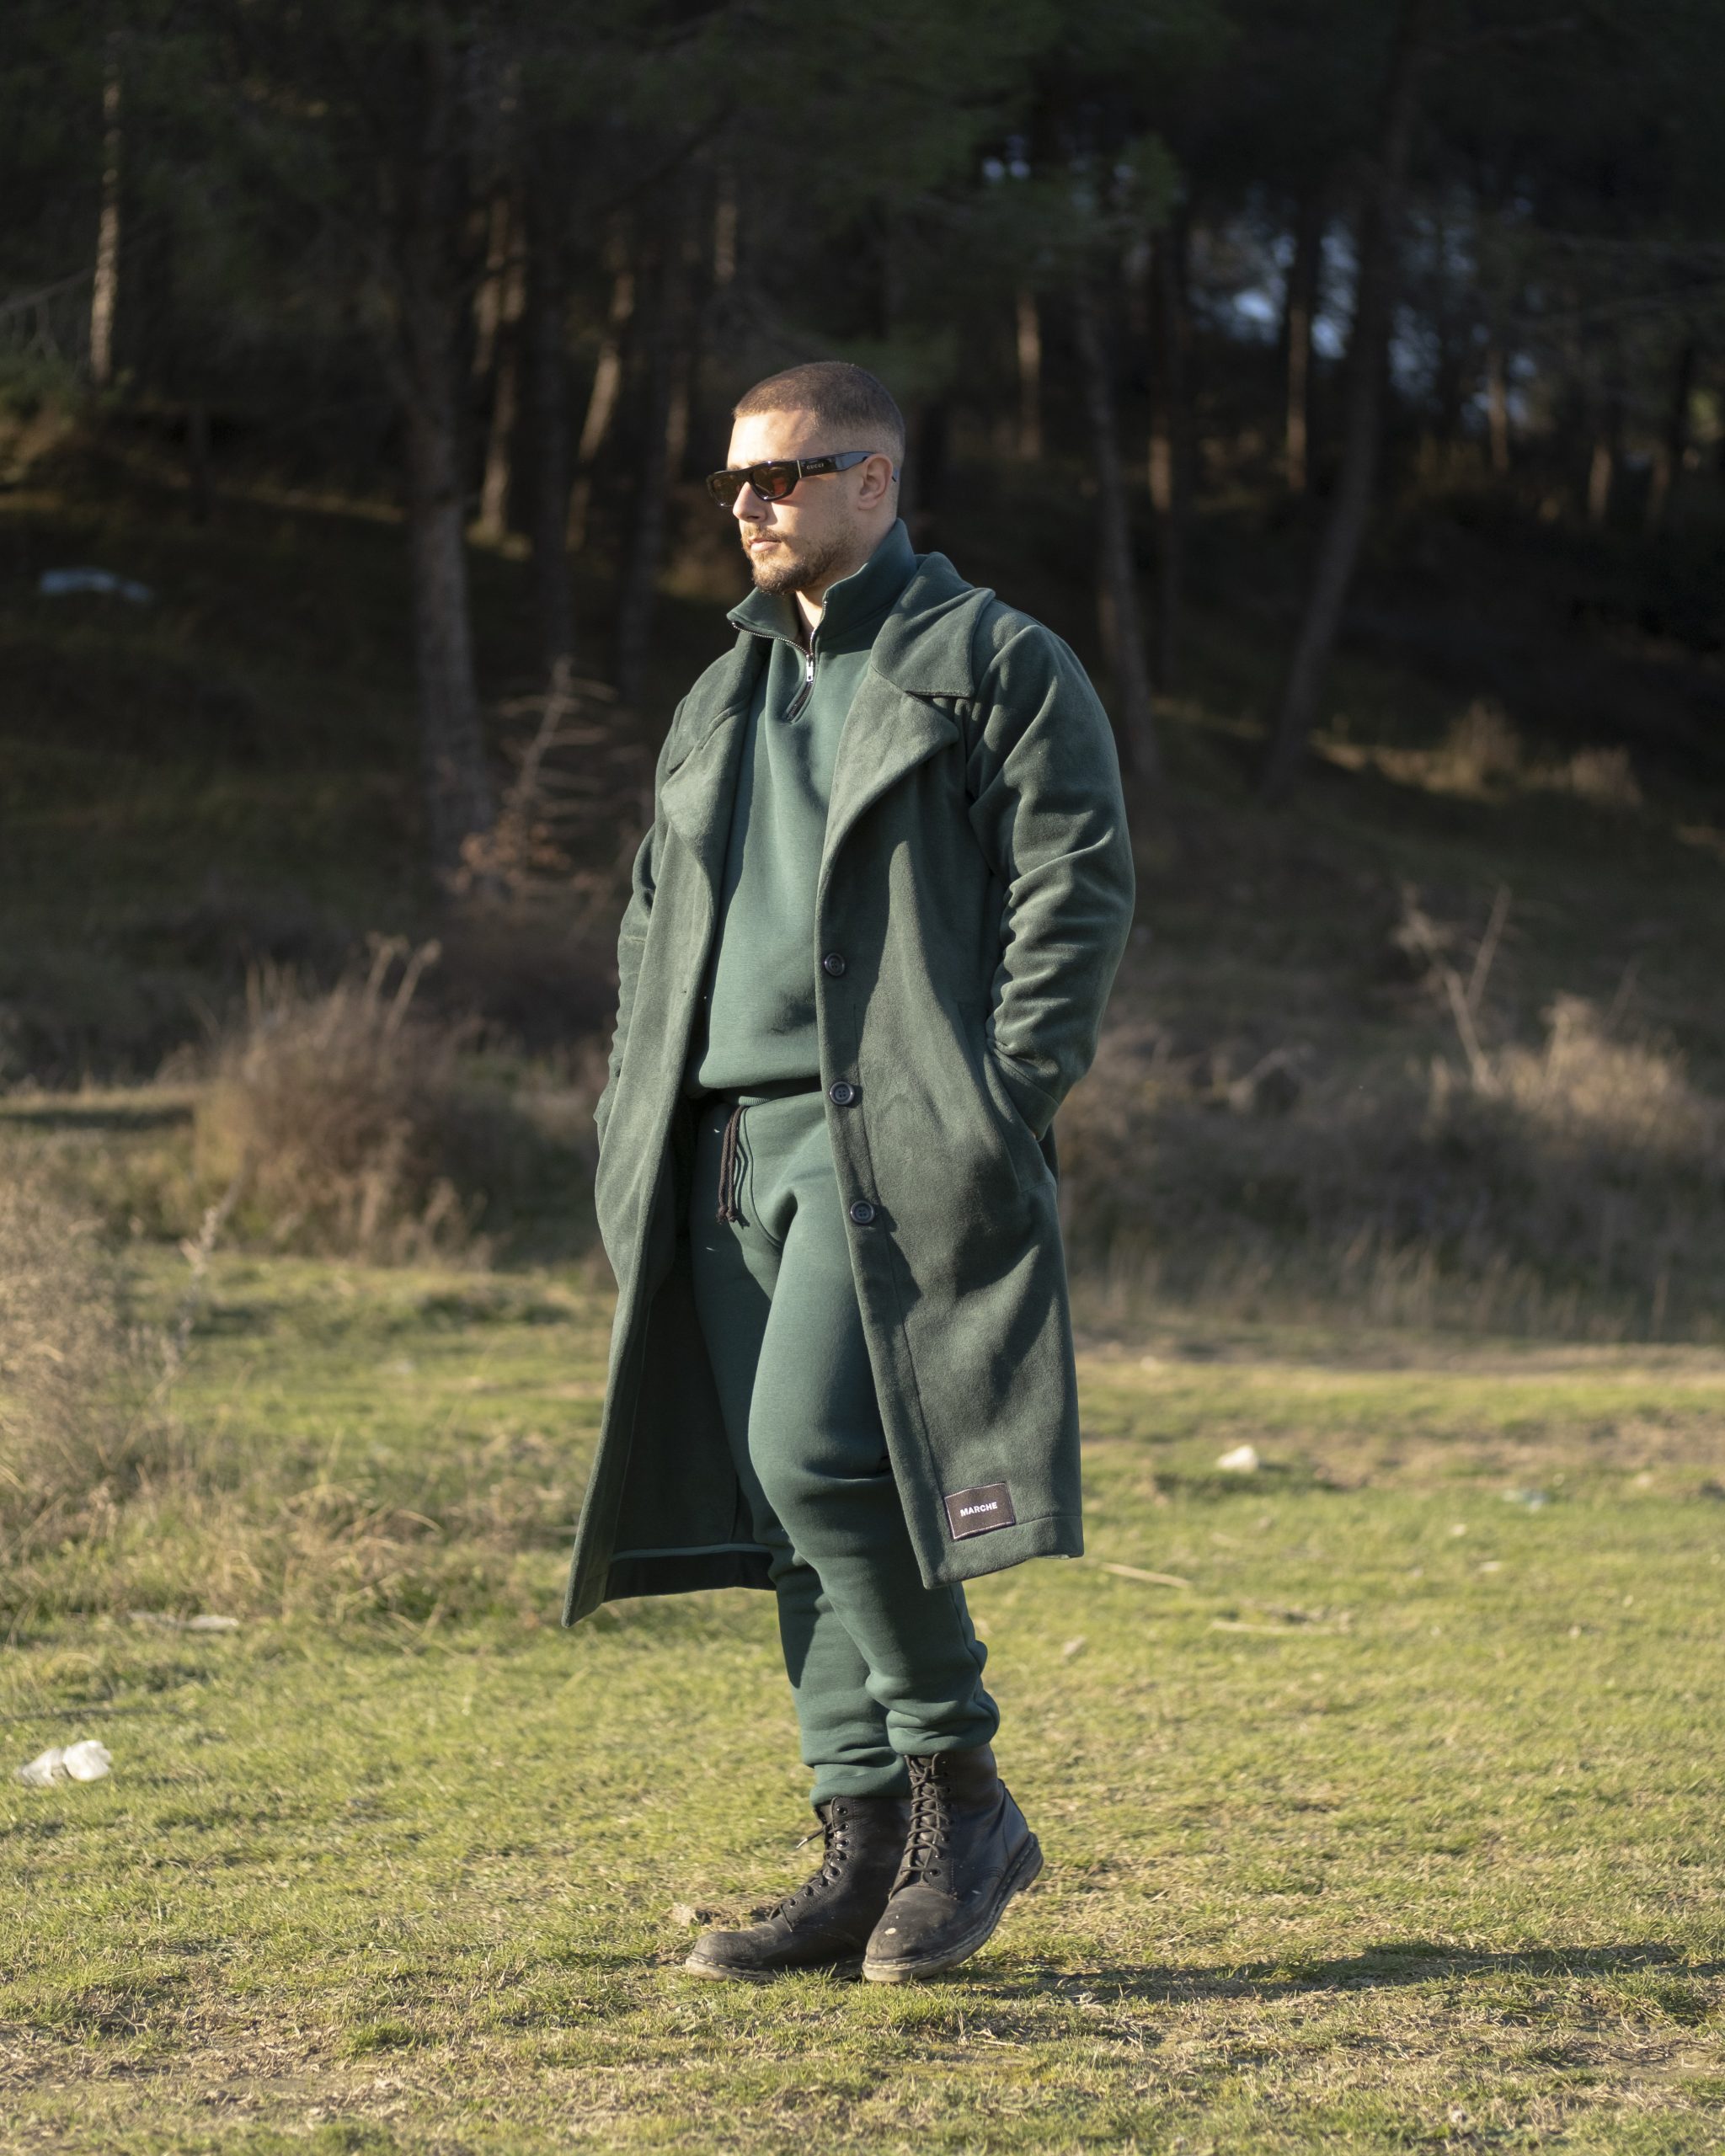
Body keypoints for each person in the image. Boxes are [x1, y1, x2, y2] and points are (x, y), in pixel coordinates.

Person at [564, 360, 1135, 1983]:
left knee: (815, 1458)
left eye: (785, 475)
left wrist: (999, 1100)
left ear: (875, 481)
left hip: (884, 1134)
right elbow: (649, 921)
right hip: (717, 1149)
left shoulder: (994, 662)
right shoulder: (720, 693)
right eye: (735, 480)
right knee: (784, 1508)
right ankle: (863, 1841)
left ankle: (967, 1793)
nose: (750, 503)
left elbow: (1077, 887)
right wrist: (628, 1110)